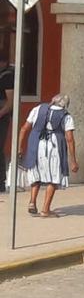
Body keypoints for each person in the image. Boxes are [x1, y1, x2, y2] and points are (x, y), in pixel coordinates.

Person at [17, 94, 78, 217]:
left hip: (36, 145)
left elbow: (24, 129)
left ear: (52, 101)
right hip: (54, 147)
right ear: (65, 105)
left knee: (36, 173)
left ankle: (32, 202)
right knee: (53, 177)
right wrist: (73, 160)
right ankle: (45, 210)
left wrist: (19, 147)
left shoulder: (38, 108)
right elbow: (70, 139)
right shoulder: (66, 116)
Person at [0, 51, 14, 193]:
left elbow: (9, 103)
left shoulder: (7, 76)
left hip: (2, 117)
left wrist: (1, 113)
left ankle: (1, 182)